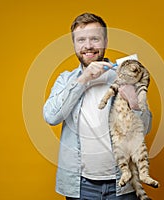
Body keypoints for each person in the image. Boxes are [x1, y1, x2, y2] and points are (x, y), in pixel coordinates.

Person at [43, 13, 152, 200]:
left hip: (122, 185)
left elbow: (145, 128)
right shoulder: (66, 80)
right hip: (81, 186)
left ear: (105, 41)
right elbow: (52, 117)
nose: (88, 46)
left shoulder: (126, 76)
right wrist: (83, 80)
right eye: (81, 40)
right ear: (75, 44)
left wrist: (133, 102)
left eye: (95, 39)